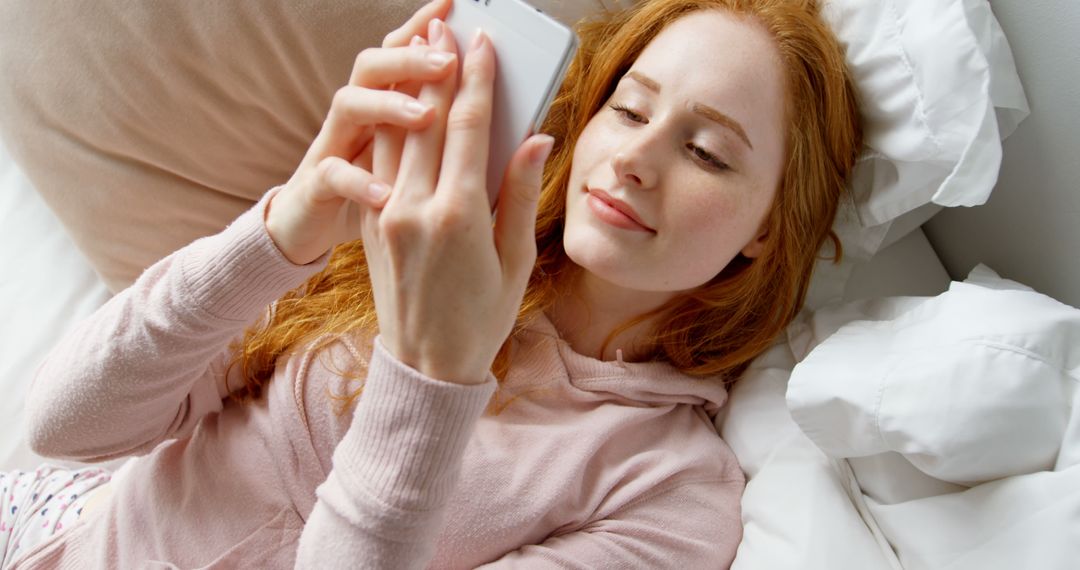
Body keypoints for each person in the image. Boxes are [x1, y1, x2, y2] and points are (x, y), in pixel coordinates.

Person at [6, 0, 861, 567]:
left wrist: (431, 375)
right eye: (630, 110)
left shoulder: (670, 497)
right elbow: (64, 427)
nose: (636, 158)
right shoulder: (403, 246)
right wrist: (275, 234)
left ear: (764, 231)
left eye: (707, 152)